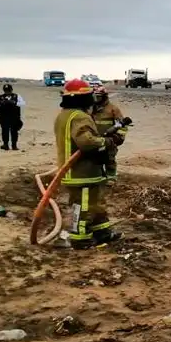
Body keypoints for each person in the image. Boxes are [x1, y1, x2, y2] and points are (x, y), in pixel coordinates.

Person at [54, 78, 123, 250]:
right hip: (82, 172)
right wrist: (107, 142)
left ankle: (102, 232)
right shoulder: (80, 117)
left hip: (77, 171)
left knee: (95, 204)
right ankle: (80, 239)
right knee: (84, 206)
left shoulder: (64, 115)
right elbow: (87, 142)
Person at [91, 86, 127, 182]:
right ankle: (99, 178)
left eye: (98, 96)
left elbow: (123, 125)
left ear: (104, 96)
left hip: (109, 140)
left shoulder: (113, 109)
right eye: (93, 96)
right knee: (94, 160)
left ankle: (111, 178)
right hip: (94, 140)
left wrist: (118, 138)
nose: (95, 99)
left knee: (110, 159)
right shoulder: (90, 109)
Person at [0, 83, 25, 150]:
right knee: (5, 132)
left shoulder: (17, 96)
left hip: (15, 117)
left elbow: (23, 103)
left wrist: (15, 103)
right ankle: (5, 145)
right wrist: (1, 102)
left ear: (11, 90)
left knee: (14, 132)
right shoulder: (0, 97)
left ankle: (14, 145)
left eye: (8, 90)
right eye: (6, 91)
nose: (7, 92)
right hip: (4, 117)